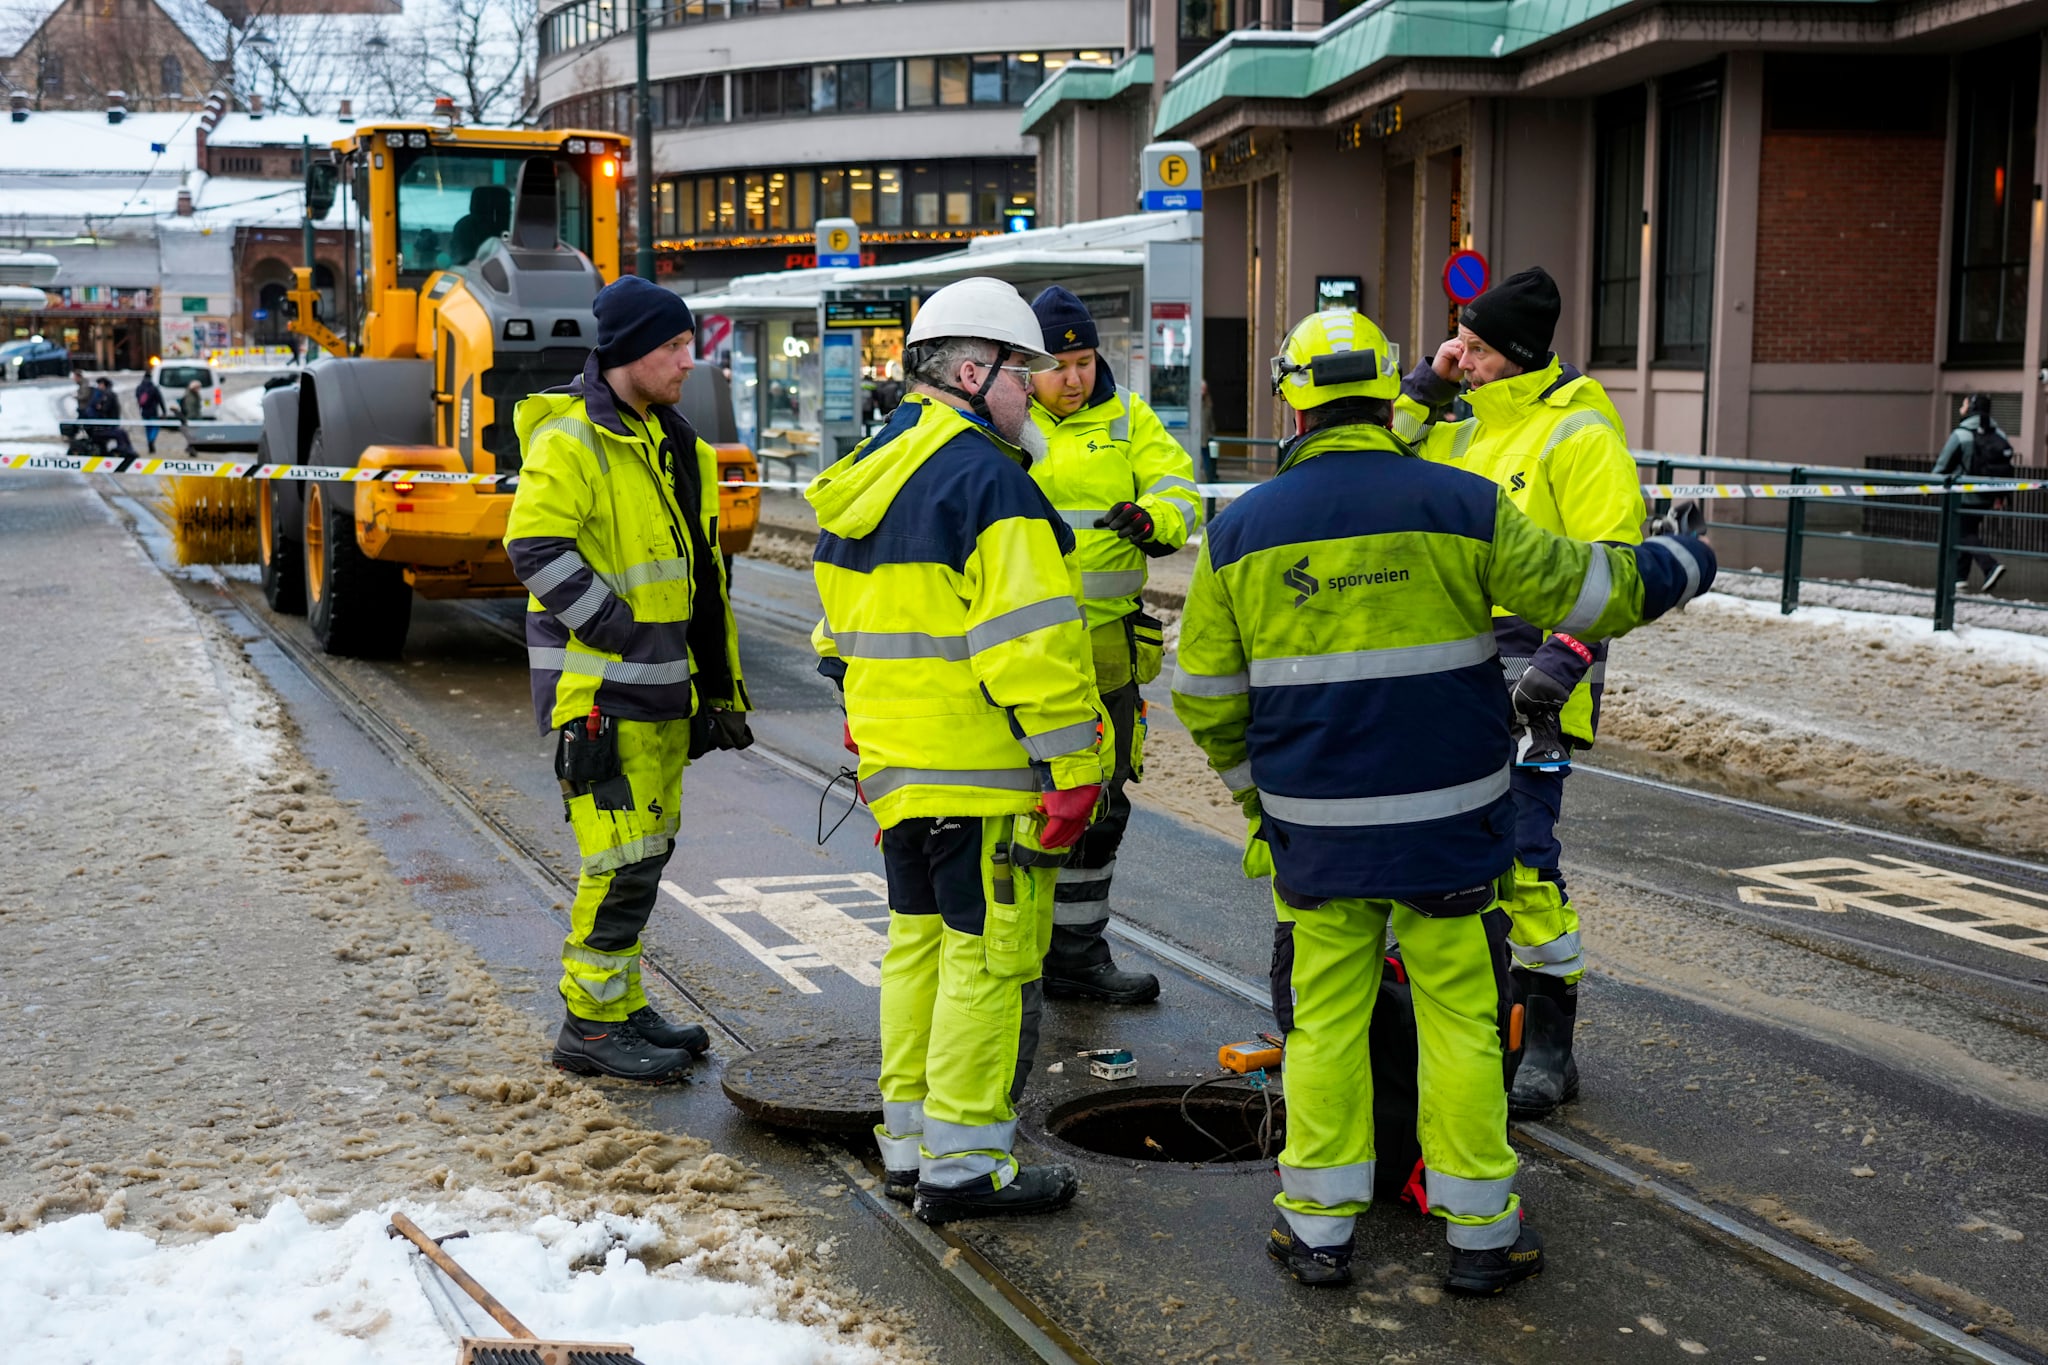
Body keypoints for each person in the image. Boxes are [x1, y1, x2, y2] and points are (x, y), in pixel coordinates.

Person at [1173, 307, 1714, 1294]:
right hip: (1453, 830)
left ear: (1289, 397)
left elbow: (1204, 698)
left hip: (1317, 834)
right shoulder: (1460, 502)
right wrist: (1683, 562)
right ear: (1389, 391)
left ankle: (1316, 1231)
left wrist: (1263, 801)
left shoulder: (1241, 528)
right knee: (1462, 1018)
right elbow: (1584, 591)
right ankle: (1477, 1237)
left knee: (1322, 1025)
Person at [807, 276, 1112, 1225]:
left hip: (900, 773)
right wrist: (1075, 766)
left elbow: (836, 639)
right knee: (985, 964)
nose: (1037, 394)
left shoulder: (869, 469)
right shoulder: (987, 478)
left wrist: (879, 739)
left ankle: (909, 1144)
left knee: (918, 952)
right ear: (974, 371)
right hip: (986, 776)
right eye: (1025, 373)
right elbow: (1035, 647)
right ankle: (967, 1164)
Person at [1391, 266, 1647, 1120]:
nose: (1461, 357)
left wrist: (1562, 664)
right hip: (1457, 676)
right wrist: (1424, 386)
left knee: (1526, 863)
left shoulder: (1581, 435)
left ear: (1518, 355)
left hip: (1537, 679)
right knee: (1455, 863)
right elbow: (1379, 455)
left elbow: (1614, 569)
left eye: (1475, 347)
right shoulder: (1464, 429)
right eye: (1459, 342)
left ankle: (1549, 1046)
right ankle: (1484, 1024)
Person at [505, 275, 753, 1084]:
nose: (690, 359)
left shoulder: (667, 436)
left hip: (656, 695)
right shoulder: (572, 438)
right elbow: (536, 550)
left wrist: (716, 688)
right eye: (673, 346)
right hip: (603, 697)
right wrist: (624, 631)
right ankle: (590, 1026)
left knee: (642, 854)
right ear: (627, 353)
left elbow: (701, 575)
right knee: (616, 865)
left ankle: (620, 1003)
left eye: (688, 344)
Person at [1022, 286, 1203, 1005]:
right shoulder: (1001, 423)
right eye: (1058, 364)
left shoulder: (1130, 419)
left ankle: (1074, 953)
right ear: (1025, 368)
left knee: (1100, 804)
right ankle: (1018, 951)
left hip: (1106, 647)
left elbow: (1180, 493)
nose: (1073, 377)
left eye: (1085, 361)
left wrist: (1153, 517)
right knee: (1028, 801)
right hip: (1025, 646)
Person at [1934, 394, 2008, 594]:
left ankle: (1990, 566)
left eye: (1964, 404)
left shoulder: (1961, 434)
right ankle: (1960, 578)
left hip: (1963, 495)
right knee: (1967, 532)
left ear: (1971, 409)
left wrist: (1929, 485)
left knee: (1963, 532)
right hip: (1986, 495)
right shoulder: (1999, 434)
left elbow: (1943, 464)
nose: (1961, 407)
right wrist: (2000, 496)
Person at [90, 377, 135, 456]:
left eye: (99, 384)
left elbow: (104, 409)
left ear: (103, 384)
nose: (98, 386)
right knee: (121, 434)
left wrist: (100, 407)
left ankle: (124, 452)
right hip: (105, 425)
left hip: (106, 425)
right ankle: (126, 451)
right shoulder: (107, 394)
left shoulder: (107, 395)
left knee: (121, 434)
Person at [135, 373, 166, 454]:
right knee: (155, 427)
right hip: (153, 411)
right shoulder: (153, 388)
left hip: (144, 412)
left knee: (148, 428)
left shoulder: (139, 388)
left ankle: (149, 440)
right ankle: (151, 440)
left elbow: (138, 400)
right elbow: (160, 400)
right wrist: (164, 411)